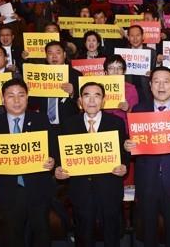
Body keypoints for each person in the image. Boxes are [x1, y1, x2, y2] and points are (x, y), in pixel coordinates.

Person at [0, 78, 56, 247]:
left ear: (27, 98)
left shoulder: (40, 120)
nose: (17, 100)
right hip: (8, 192)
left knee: (41, 235)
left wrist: (52, 161)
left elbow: (53, 150)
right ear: (2, 100)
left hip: (38, 190)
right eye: (11, 96)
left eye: (21, 95)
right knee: (11, 236)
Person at [124, 66, 170, 247]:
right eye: (156, 81)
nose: (161, 86)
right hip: (147, 179)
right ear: (150, 85)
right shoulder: (139, 110)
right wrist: (127, 146)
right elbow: (132, 143)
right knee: (148, 227)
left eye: (166, 81)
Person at [55, 82, 129, 247]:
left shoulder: (116, 123)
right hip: (80, 189)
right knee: (84, 235)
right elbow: (61, 155)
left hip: (109, 188)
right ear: (80, 100)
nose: (92, 100)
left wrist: (124, 166)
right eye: (87, 95)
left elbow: (124, 152)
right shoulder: (69, 124)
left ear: (103, 101)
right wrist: (59, 170)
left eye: (97, 95)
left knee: (111, 234)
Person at [29, 41, 82, 131]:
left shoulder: (75, 74)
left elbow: (83, 102)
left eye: (58, 53)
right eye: (50, 53)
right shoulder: (38, 75)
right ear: (46, 56)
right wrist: (29, 91)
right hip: (44, 125)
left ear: (64, 55)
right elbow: (33, 103)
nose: (54, 56)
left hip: (69, 124)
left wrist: (73, 93)